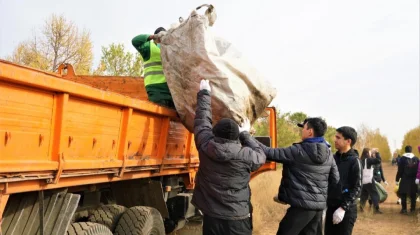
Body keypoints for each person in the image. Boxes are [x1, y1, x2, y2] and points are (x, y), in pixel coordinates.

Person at [191, 79, 266, 235]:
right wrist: (245, 134)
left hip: (212, 217)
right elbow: (261, 154)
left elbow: (202, 121)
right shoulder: (247, 155)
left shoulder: (206, 145)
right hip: (238, 218)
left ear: (215, 132)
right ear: (236, 137)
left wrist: (204, 92)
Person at [254, 118, 339, 235]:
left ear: (310, 132)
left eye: (303, 128)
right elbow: (335, 179)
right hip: (318, 208)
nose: (301, 131)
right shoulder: (329, 153)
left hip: (302, 207)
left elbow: (268, 152)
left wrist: (245, 135)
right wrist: (319, 195)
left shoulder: (297, 151)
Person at [325, 126, 361, 235]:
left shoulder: (354, 161)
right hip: (330, 207)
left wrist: (343, 208)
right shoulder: (332, 158)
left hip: (346, 210)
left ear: (348, 141)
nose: (334, 140)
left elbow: (357, 188)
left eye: (338, 137)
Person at [132, 27, 175, 108]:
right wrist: (152, 36)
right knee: (160, 114)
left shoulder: (169, 48)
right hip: (156, 88)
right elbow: (135, 41)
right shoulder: (149, 48)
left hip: (170, 89)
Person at [396, 145, 419, 214]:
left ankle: (404, 209)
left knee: (403, 194)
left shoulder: (402, 159)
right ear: (411, 150)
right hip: (413, 179)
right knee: (413, 195)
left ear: (405, 150)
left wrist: (397, 179)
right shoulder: (416, 158)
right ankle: (412, 209)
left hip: (404, 179)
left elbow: (400, 170)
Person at [359, 148, 383, 214]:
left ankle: (361, 207)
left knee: (364, 195)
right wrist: (377, 152)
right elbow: (378, 160)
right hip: (369, 180)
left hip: (362, 181)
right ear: (367, 153)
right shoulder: (368, 160)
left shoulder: (360, 160)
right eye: (369, 152)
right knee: (375, 194)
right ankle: (376, 209)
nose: (370, 154)